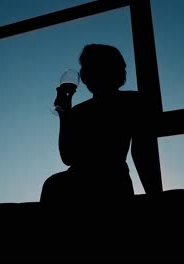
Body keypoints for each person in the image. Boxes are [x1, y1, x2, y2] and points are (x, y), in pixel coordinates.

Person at [40, 44, 163, 205]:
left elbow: (142, 153)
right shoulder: (132, 101)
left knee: (53, 184)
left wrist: (155, 196)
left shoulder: (132, 102)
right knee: (53, 184)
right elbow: (68, 157)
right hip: (108, 182)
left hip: (109, 183)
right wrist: (65, 115)